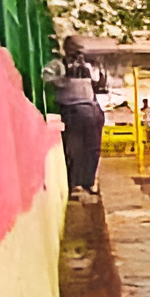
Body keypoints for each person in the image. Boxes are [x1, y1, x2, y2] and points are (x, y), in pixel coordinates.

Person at [42, 37, 108, 196]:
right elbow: (47, 79)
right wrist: (63, 77)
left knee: (93, 149)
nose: (79, 53)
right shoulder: (58, 65)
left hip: (91, 107)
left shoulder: (88, 65)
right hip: (72, 108)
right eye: (75, 49)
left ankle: (88, 183)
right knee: (75, 149)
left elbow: (99, 82)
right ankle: (76, 184)